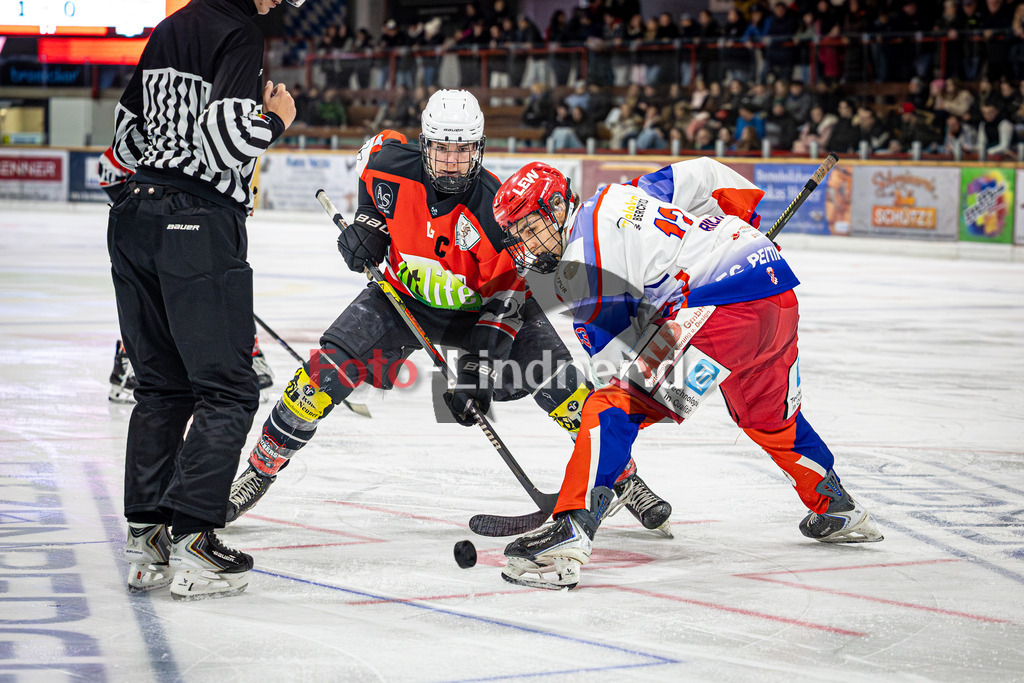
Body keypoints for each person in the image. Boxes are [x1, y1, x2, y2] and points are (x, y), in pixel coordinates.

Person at [224, 90, 673, 537]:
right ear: (425, 144)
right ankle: (260, 469)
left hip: (483, 311)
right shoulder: (390, 164)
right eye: (442, 149)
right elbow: (372, 162)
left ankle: (623, 478)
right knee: (324, 373)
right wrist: (368, 224)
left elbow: (507, 301)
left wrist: (476, 373)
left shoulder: (498, 212)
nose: (452, 162)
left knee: (562, 386)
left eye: (463, 151)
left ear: (478, 149)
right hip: (402, 300)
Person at [490, 159, 883, 590]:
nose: (527, 244)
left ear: (560, 206)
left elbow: (614, 367)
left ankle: (570, 531)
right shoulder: (627, 192)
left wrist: (611, 462)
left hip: (724, 310)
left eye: (532, 227)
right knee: (767, 416)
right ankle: (834, 505)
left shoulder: (578, 266)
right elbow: (705, 173)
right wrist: (740, 229)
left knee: (612, 405)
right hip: (775, 295)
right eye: (518, 235)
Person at [107, 0, 297, 601]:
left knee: (161, 386)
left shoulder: (169, 27)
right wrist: (277, 119)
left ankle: (148, 538)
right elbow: (226, 141)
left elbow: (124, 138)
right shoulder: (239, 31)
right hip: (196, 219)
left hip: (133, 217)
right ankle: (194, 540)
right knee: (228, 387)